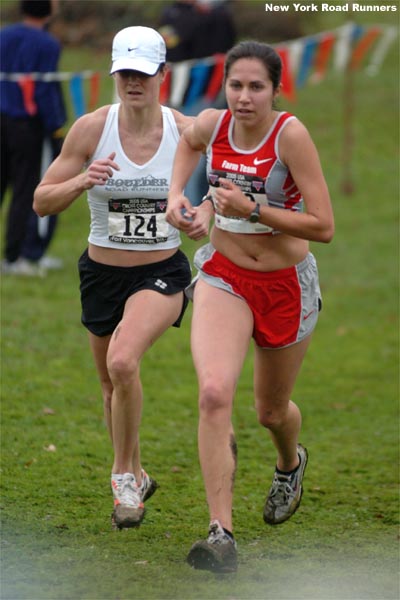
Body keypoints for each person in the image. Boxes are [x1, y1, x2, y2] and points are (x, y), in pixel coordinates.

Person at [166, 40, 334, 572]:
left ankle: (290, 462)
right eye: (235, 85)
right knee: (214, 392)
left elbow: (324, 226)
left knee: (270, 411)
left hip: (285, 282)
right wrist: (178, 199)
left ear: (275, 90)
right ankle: (221, 533)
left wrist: (253, 207)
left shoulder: (291, 135)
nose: (244, 97)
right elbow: (187, 140)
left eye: (256, 86)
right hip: (225, 276)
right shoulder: (213, 124)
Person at [33, 26, 208, 530]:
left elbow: (223, 185)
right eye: (125, 73)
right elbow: (41, 201)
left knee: (123, 360)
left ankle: (122, 477)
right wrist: (82, 179)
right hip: (101, 275)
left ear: (163, 76)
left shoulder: (185, 129)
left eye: (143, 73)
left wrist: (201, 217)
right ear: (114, 74)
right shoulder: (91, 128)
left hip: (162, 272)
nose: (134, 82)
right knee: (111, 386)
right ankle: (137, 471)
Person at [0, 0, 66, 276]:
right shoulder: (47, 44)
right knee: (28, 189)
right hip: (30, 126)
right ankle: (20, 257)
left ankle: (19, 256)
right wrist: (57, 127)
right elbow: (43, 90)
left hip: (2, 119)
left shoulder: (3, 35)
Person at [159, 0, 236, 206]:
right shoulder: (171, 13)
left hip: (206, 94)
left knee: (202, 152)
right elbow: (168, 48)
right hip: (175, 93)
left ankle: (197, 203)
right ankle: (182, 202)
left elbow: (226, 49)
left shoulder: (217, 15)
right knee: (179, 149)